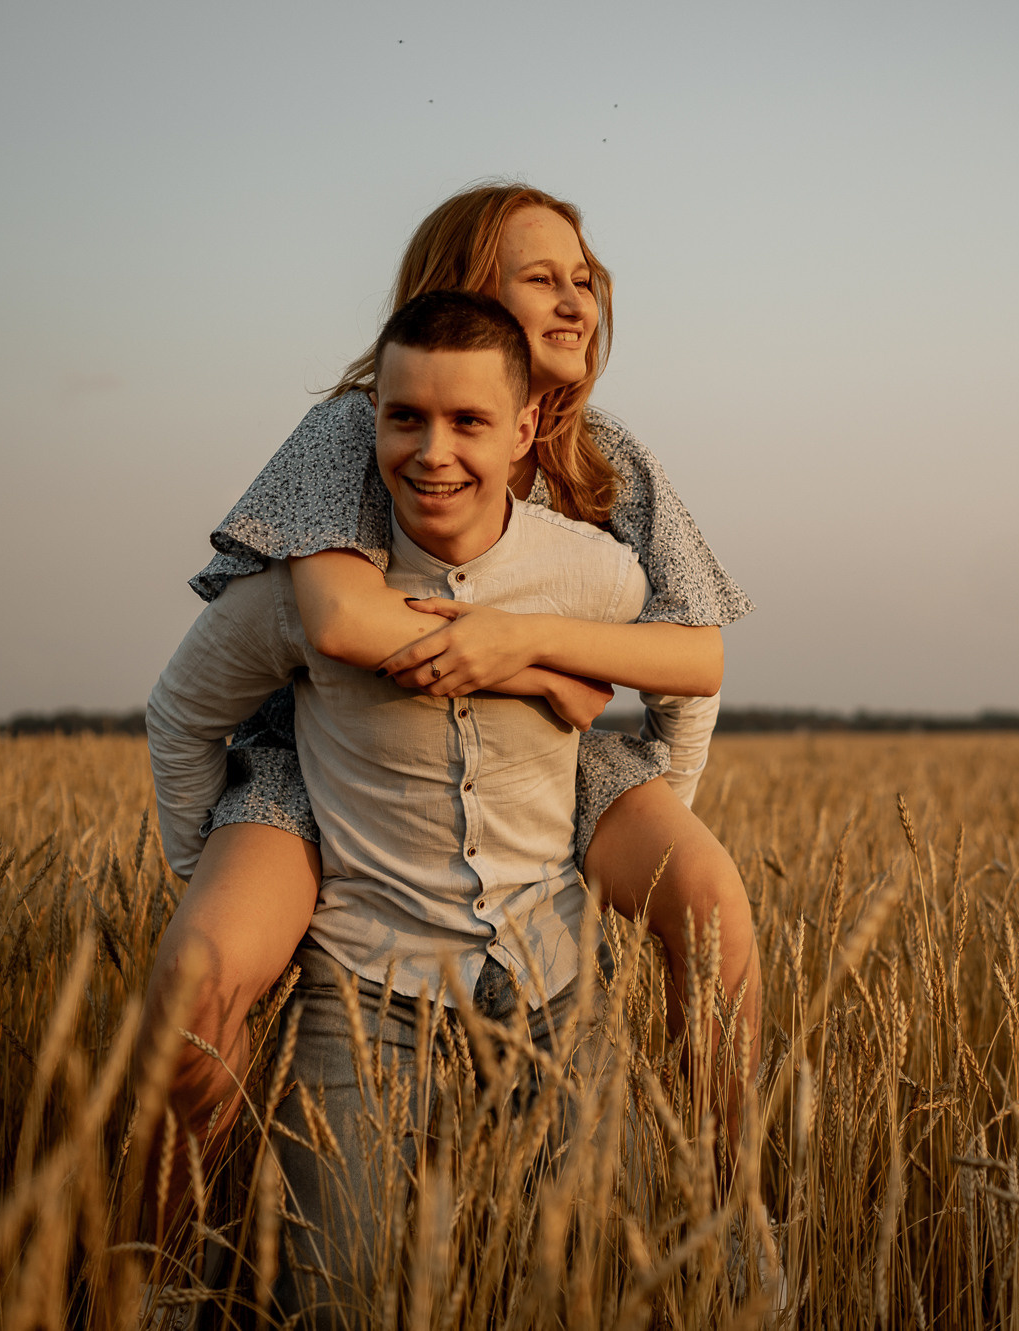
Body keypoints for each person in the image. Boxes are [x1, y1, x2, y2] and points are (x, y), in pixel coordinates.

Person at [137, 183, 760, 1227]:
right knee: (198, 980)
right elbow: (333, 618)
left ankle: (729, 1210)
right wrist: (535, 667)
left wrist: (638, 766)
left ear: (517, 425)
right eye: (539, 279)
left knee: (712, 899)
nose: (574, 302)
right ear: (460, 294)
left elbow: (690, 645)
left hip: (563, 757)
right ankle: (167, 1246)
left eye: (584, 280)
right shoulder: (353, 428)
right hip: (334, 740)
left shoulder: (612, 456)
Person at [149, 290, 645, 1322]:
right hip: (367, 992)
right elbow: (182, 713)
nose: (432, 451)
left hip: (554, 979)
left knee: (603, 1286)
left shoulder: (594, 575)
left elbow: (685, 679)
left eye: (467, 421)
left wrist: (637, 799)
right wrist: (200, 869)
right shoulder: (308, 590)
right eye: (404, 417)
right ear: (369, 422)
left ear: (522, 429)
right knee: (337, 1297)